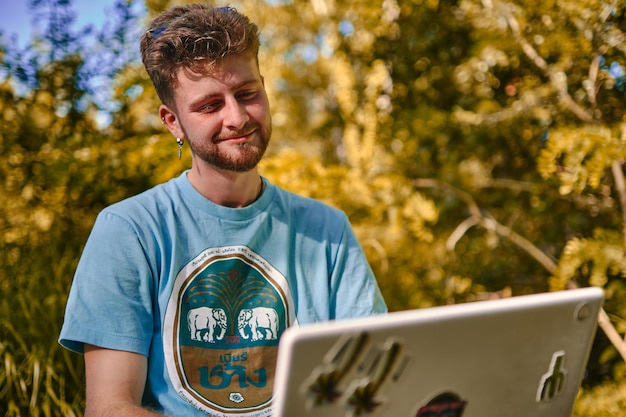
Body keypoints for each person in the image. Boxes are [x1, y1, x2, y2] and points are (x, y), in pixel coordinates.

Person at [59, 3, 386, 417]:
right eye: (210, 105)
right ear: (172, 121)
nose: (237, 117)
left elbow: (371, 386)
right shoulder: (129, 230)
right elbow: (110, 408)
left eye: (247, 94)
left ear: (264, 88)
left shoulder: (326, 229)